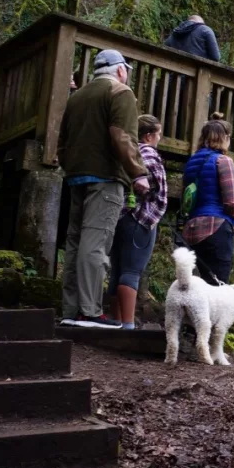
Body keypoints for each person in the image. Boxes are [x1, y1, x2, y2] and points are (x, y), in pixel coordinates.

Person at [58, 49, 149, 328]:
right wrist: (138, 173)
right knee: (96, 243)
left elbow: (63, 140)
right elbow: (122, 136)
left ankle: (71, 311)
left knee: (74, 242)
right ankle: (89, 311)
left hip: (76, 176)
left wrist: (69, 166)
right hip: (106, 178)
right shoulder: (120, 93)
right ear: (120, 70)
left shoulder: (78, 97)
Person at [107, 115, 167, 330]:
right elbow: (156, 187)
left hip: (119, 215)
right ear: (149, 135)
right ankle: (128, 324)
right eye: (158, 133)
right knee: (132, 271)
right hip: (140, 216)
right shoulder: (148, 153)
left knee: (117, 270)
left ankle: (115, 319)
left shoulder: (126, 152)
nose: (159, 138)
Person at [181, 114, 234, 283]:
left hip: (192, 229)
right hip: (216, 227)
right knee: (218, 285)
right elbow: (230, 201)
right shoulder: (223, 161)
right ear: (224, 138)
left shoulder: (192, 162)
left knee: (197, 286)